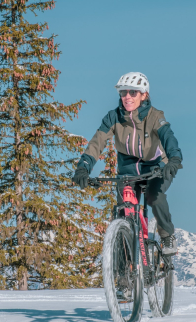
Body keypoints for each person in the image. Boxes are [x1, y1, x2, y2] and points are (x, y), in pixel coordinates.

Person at [72, 72, 182, 254]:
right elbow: (96, 143)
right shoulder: (113, 117)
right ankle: (124, 272)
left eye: (133, 92)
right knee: (124, 210)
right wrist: (83, 167)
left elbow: (168, 138)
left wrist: (174, 160)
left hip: (155, 168)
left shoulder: (155, 116)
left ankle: (167, 236)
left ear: (144, 95)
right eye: (123, 93)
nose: (127, 97)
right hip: (128, 171)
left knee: (155, 196)